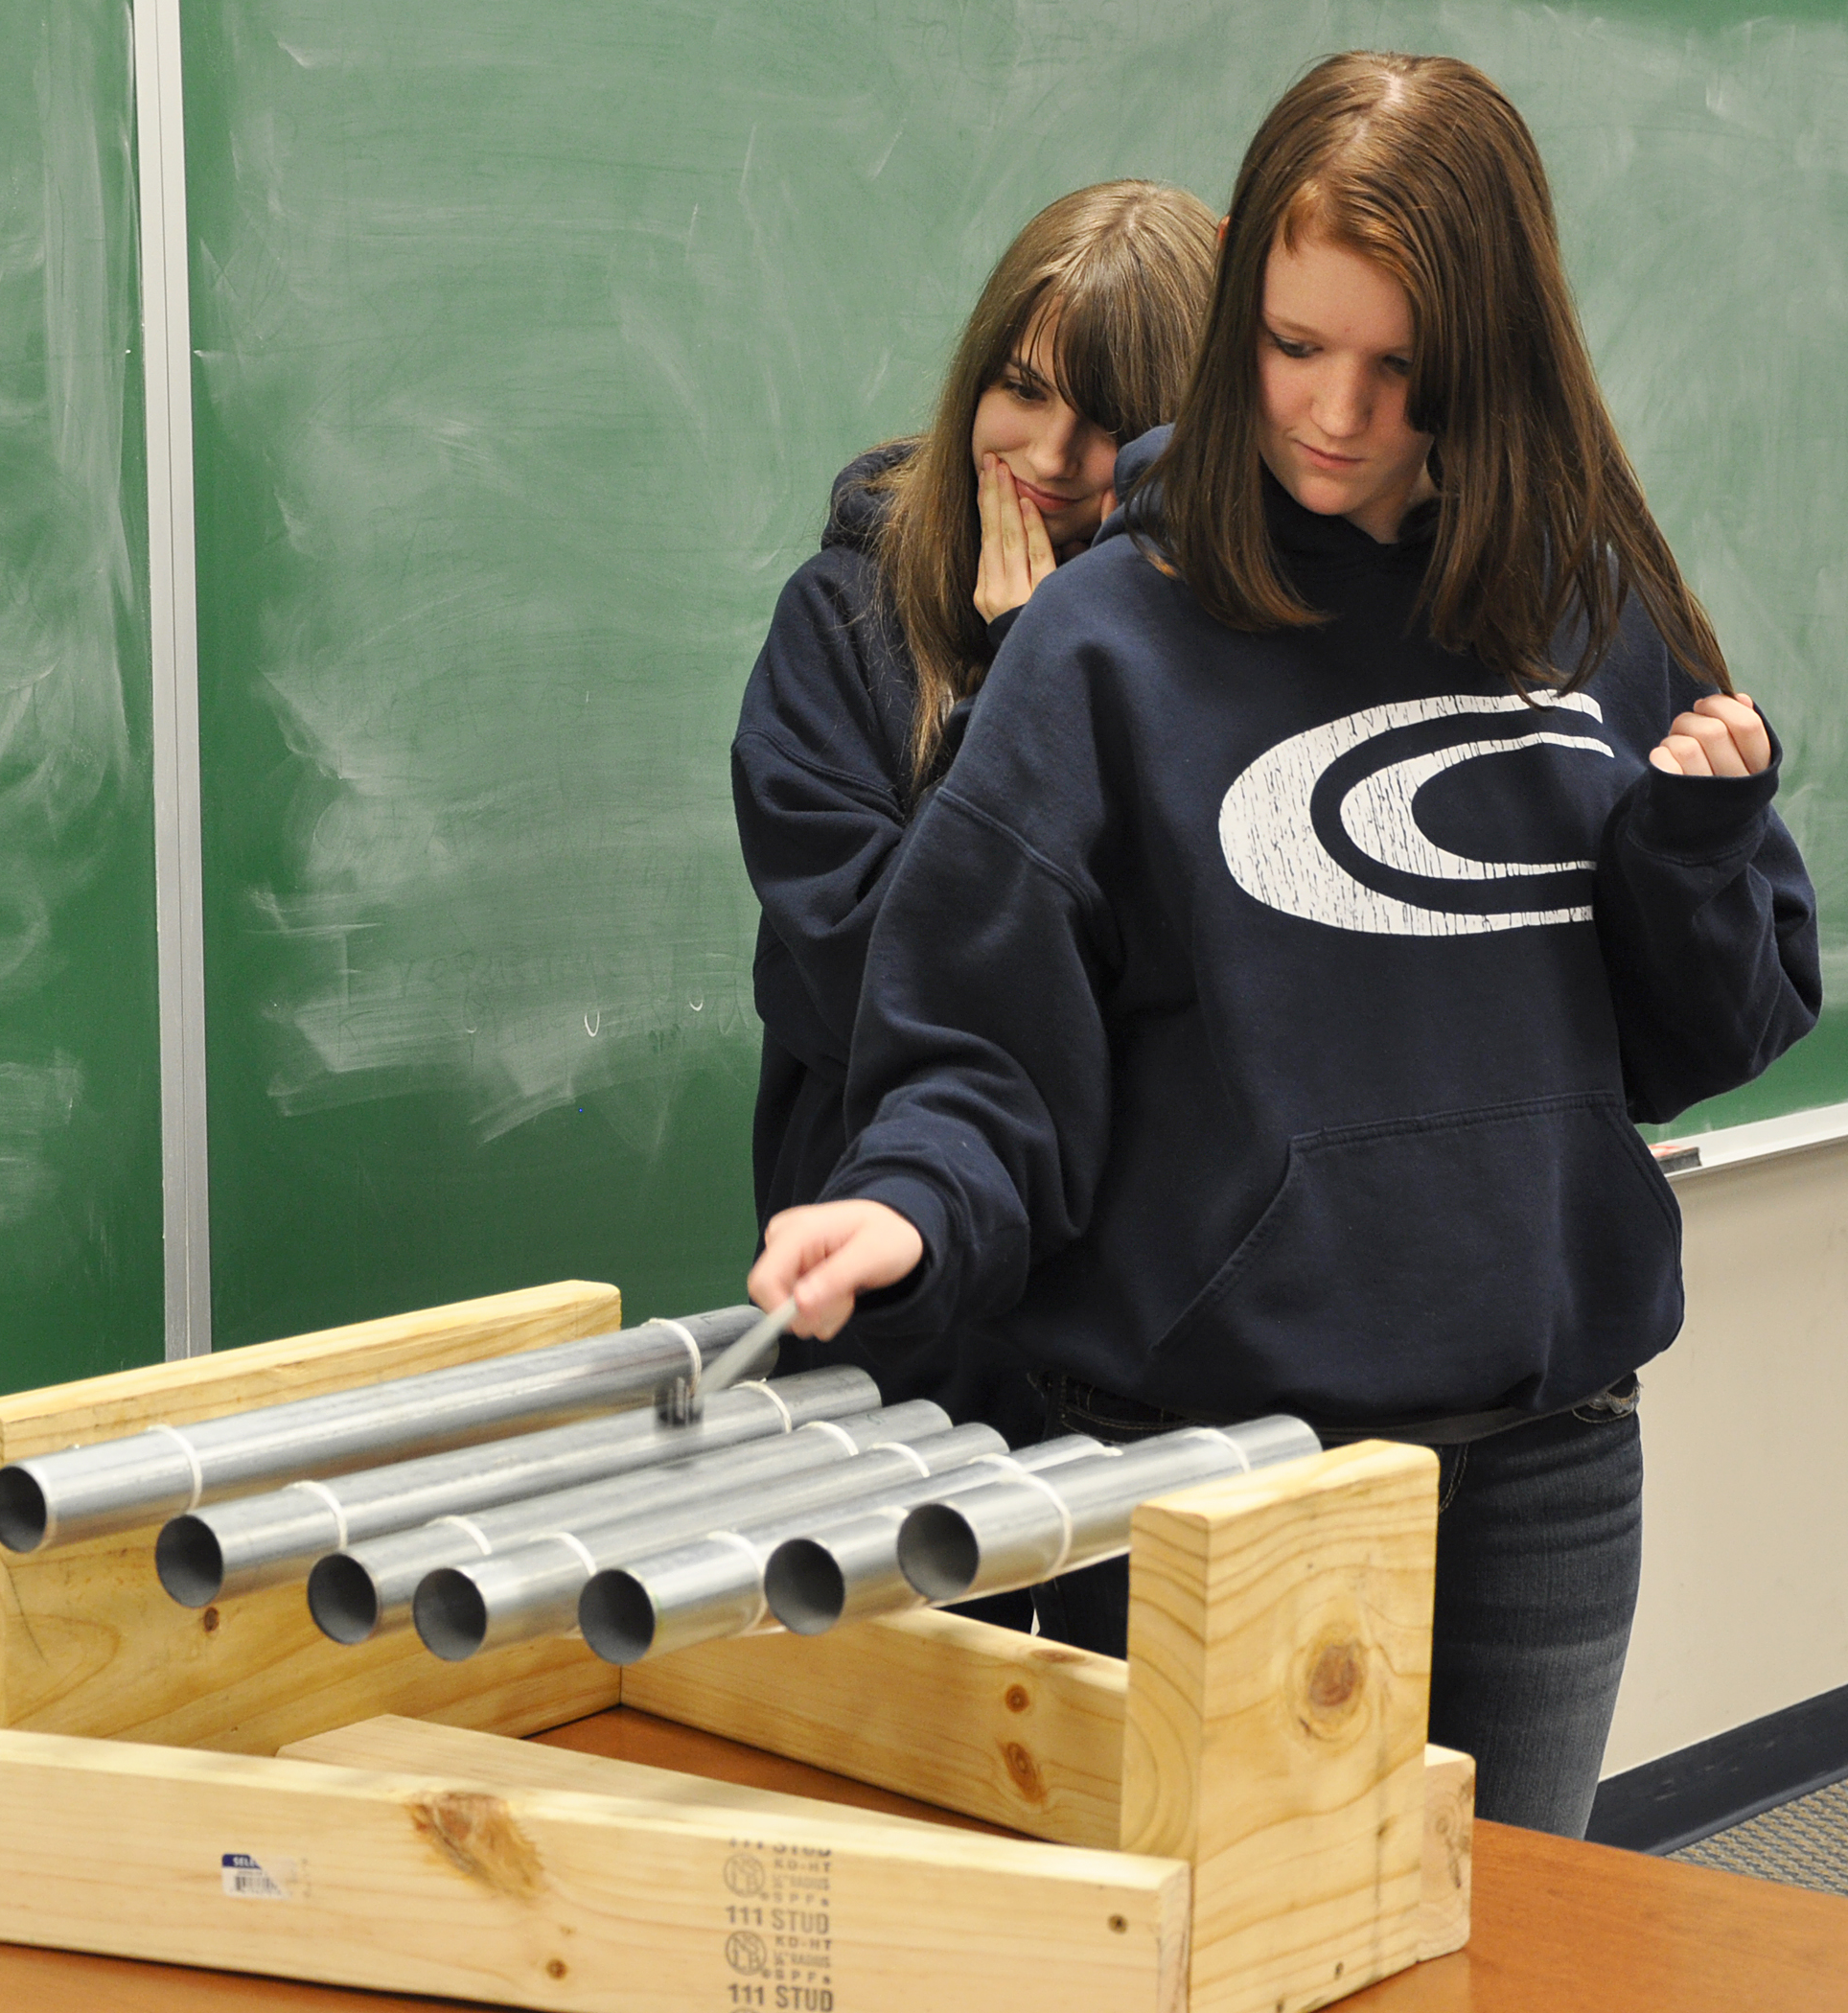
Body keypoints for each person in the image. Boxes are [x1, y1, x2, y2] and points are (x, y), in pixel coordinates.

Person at [746, 52, 1821, 1835]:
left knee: (1495, 1947)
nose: (1335, 411)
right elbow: (986, 1046)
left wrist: (1694, 847)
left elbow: (1700, 1036)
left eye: (1400, 369)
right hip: (1206, 1481)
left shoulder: (1584, 599)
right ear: (1243, 305)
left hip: (1546, 1473)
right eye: (1296, 345)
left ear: (1491, 354)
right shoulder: (1102, 645)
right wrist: (910, 1203)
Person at [731, 182, 1217, 1490]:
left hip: (1151, 1365)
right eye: (1020, 389)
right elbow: (891, 980)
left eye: (1109, 420)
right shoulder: (840, 627)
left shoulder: (1220, 663)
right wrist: (1025, 679)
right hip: (901, 1353)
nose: (1051, 457)